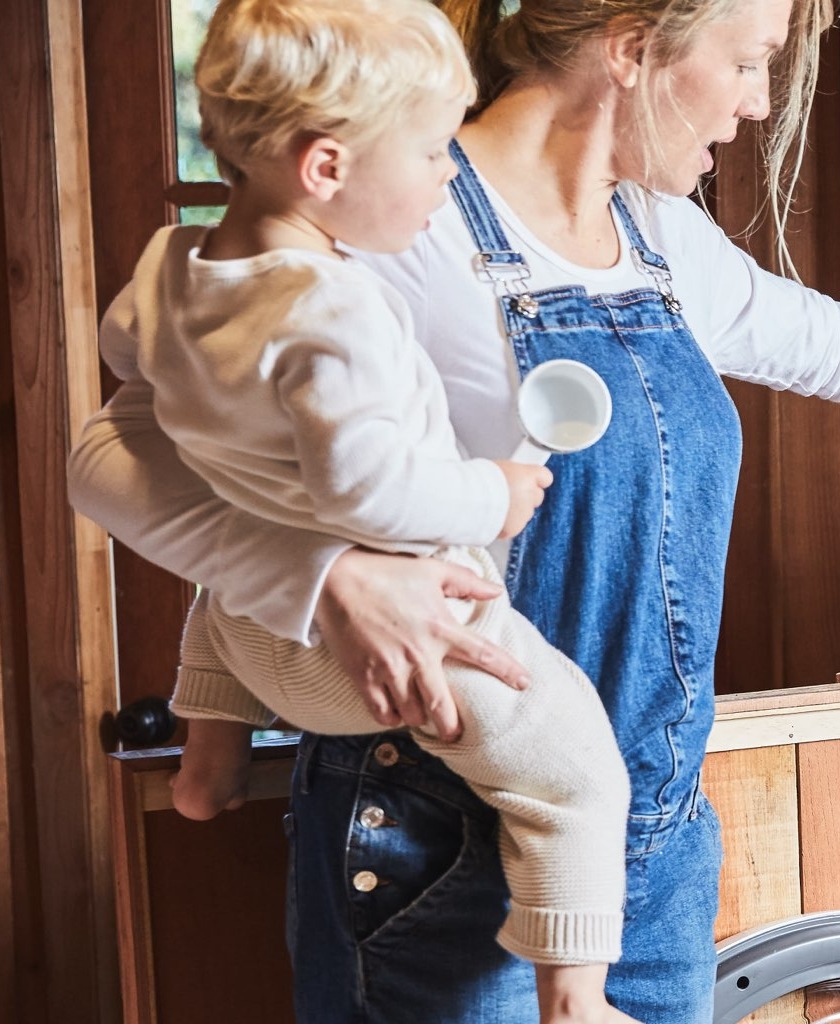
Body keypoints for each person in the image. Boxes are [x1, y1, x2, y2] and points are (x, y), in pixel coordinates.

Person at [68, 0, 840, 1021]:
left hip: (650, 851)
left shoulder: (654, 235)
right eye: (746, 59)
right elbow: (119, 450)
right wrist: (324, 574)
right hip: (441, 847)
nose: (759, 102)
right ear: (631, 48)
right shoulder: (390, 216)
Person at [86, 0, 638, 1021]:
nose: (446, 172)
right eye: (431, 149)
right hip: (388, 650)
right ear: (327, 169)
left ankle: (210, 762)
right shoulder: (329, 309)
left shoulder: (172, 266)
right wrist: (493, 493)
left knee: (233, 554)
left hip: (257, 638)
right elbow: (362, 488)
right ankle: (577, 997)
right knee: (574, 768)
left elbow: (127, 359)